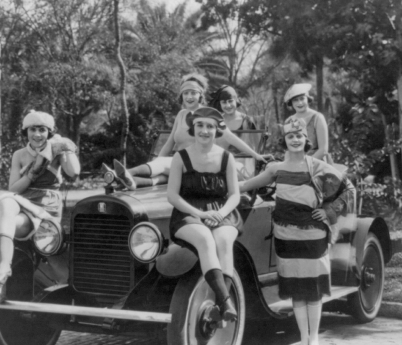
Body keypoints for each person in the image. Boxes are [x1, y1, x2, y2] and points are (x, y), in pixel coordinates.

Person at [239, 118, 354, 345]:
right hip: (285, 236)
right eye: (291, 136)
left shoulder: (316, 166)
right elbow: (245, 185)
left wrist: (329, 212)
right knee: (296, 291)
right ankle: (303, 341)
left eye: (299, 136)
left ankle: (314, 341)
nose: (295, 139)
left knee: (313, 290)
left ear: (305, 140)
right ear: (284, 141)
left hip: (313, 236)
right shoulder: (275, 169)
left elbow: (349, 189)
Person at [0, 110, 80, 305]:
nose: (37, 135)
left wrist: (65, 148)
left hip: (46, 209)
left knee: (4, 214)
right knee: (6, 201)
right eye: (32, 130)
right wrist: (33, 173)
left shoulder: (56, 150)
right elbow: (13, 188)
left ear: (50, 132)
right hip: (23, 203)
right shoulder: (19, 155)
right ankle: (3, 269)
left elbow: (74, 171)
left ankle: (0, 278)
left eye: (42, 130)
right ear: (25, 132)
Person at [117, 74, 269, 189]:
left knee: (165, 164)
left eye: (193, 93)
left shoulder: (209, 113)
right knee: (163, 170)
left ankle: (127, 172)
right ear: (181, 96)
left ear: (200, 95)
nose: (189, 97)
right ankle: (133, 182)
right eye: (185, 93)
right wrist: (154, 163)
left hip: (200, 163)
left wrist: (256, 155)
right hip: (181, 164)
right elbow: (169, 144)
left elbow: (229, 136)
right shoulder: (181, 114)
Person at [167, 107, 242, 322]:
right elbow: (172, 195)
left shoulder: (227, 158)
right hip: (188, 211)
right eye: (200, 125)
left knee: (224, 239)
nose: (204, 131)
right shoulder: (180, 157)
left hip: (221, 210)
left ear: (217, 130)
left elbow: (234, 195)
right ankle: (226, 302)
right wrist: (199, 213)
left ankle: (222, 305)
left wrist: (221, 213)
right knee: (205, 240)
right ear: (193, 128)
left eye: (210, 126)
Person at [283, 83, 330, 161]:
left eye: (302, 98)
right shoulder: (289, 121)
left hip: (316, 162)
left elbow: (323, 150)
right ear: (291, 103)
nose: (299, 103)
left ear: (307, 99)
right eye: (295, 100)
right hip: (295, 163)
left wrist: (305, 164)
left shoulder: (317, 117)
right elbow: (289, 149)